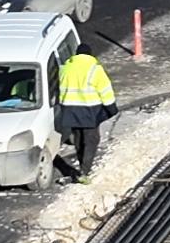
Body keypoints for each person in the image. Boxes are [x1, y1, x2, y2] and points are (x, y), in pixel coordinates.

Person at [51, 40, 120, 180]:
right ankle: (85, 171)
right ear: (90, 55)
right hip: (89, 111)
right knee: (91, 140)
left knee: (78, 138)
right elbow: (105, 90)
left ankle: (83, 164)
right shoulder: (94, 69)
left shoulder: (65, 69)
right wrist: (111, 108)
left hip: (70, 110)